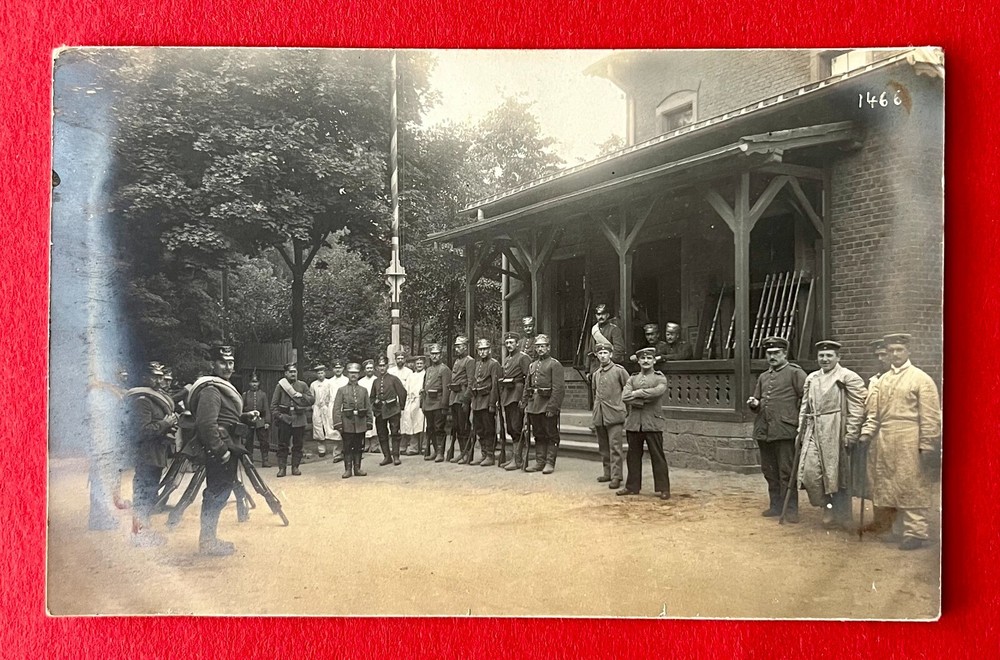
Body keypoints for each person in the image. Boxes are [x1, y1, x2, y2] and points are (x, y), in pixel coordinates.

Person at [859, 333, 942, 550]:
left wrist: (927, 443)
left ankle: (915, 532)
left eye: (899, 350)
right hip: (886, 437)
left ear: (908, 351)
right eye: (891, 351)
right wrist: (866, 433)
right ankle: (897, 529)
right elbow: (874, 414)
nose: (895, 354)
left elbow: (931, 415)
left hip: (910, 436)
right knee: (889, 482)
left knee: (911, 481)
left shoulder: (921, 379)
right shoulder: (882, 380)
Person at [184, 345, 258, 556]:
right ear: (212, 364)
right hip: (220, 449)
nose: (228, 367)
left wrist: (244, 417)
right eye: (223, 362)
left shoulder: (223, 388)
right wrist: (221, 450)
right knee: (216, 494)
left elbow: (226, 417)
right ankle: (207, 541)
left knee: (220, 492)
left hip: (228, 445)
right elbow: (206, 424)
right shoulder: (211, 390)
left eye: (231, 362)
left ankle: (209, 538)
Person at [796, 340, 867, 528]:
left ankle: (842, 514)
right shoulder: (812, 378)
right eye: (821, 355)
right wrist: (800, 431)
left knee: (837, 474)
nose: (825, 359)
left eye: (829, 355)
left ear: (838, 357)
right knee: (810, 473)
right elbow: (805, 406)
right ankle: (827, 506)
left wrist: (851, 432)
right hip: (814, 427)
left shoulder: (848, 377)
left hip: (836, 427)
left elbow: (857, 407)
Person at [747, 336, 807, 522]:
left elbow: (806, 399)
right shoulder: (764, 377)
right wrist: (754, 404)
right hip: (764, 431)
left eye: (776, 353)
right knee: (769, 471)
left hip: (785, 430)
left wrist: (796, 419)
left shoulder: (795, 373)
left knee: (786, 472)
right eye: (769, 353)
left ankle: (790, 509)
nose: (772, 357)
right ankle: (775, 506)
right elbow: (758, 400)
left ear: (784, 353)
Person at [125, 361, 180, 546]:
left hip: (156, 453)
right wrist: (166, 423)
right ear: (144, 377)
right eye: (154, 377)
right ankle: (139, 534)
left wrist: (170, 426)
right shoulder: (142, 401)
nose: (159, 380)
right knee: (143, 494)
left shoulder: (155, 397)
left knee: (149, 493)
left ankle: (143, 531)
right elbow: (143, 431)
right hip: (146, 455)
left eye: (160, 376)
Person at [617, 347, 671, 499]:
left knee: (657, 456)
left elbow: (657, 392)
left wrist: (637, 393)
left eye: (649, 358)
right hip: (634, 423)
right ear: (639, 361)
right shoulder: (632, 379)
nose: (646, 361)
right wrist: (642, 400)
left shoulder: (659, 377)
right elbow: (625, 397)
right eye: (643, 358)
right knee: (633, 456)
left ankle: (663, 488)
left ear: (654, 361)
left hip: (652, 422)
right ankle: (632, 486)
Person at [88, 365, 131, 531]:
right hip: (103, 442)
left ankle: (107, 512)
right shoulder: (101, 391)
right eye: (120, 374)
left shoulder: (113, 390)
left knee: (112, 477)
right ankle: (99, 520)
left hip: (112, 442)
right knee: (101, 480)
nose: (124, 377)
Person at [520, 334, 565, 474]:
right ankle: (540, 461)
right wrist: (524, 402)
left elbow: (558, 388)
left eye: (543, 346)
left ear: (548, 347)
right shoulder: (532, 365)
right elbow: (527, 385)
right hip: (534, 405)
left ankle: (550, 462)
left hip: (547, 404)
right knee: (538, 434)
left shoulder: (554, 364)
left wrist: (552, 407)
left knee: (551, 434)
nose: (540, 349)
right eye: (538, 346)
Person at [591, 343, 630, 489]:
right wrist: (595, 414)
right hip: (600, 415)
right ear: (597, 355)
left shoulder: (619, 371)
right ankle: (607, 472)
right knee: (603, 447)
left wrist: (625, 409)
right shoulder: (596, 374)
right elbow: (595, 395)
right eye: (600, 353)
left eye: (605, 353)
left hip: (615, 414)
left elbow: (628, 389)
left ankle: (616, 476)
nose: (603, 356)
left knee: (615, 447)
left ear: (611, 354)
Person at [270, 362, 315, 477]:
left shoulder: (302, 385)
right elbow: (274, 405)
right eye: (290, 372)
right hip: (285, 419)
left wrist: (302, 395)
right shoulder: (281, 386)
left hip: (299, 419)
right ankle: (282, 468)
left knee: (298, 445)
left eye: (294, 371)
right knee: (283, 445)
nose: (293, 374)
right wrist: (280, 416)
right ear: (286, 373)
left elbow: (312, 400)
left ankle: (295, 467)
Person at [333, 362, 374, 478]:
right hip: (347, 423)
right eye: (351, 373)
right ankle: (348, 470)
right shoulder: (342, 390)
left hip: (360, 423)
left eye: (355, 373)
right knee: (347, 447)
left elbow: (368, 407)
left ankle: (357, 468)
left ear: (359, 374)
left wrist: (369, 421)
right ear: (347, 374)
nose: (353, 375)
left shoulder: (363, 390)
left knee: (359, 447)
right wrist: (338, 423)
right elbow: (336, 408)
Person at [500, 332, 532, 471]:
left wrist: (525, 399)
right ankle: (515, 457)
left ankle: (518, 458)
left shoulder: (523, 358)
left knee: (517, 426)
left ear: (517, 343)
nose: (509, 345)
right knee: (511, 428)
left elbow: (528, 379)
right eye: (507, 343)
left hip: (517, 394)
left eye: (511, 342)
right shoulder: (507, 359)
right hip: (508, 395)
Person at [371, 355, 408, 466]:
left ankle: (396, 456)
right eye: (380, 366)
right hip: (380, 411)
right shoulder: (375, 381)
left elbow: (402, 393)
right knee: (382, 434)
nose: (382, 368)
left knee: (395, 433)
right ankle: (387, 457)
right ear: (377, 367)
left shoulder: (393, 379)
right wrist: (374, 405)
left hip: (393, 410)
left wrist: (400, 407)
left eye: (384, 365)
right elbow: (371, 397)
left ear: (387, 366)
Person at [469, 338, 501, 466]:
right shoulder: (477, 364)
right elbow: (474, 382)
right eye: (480, 350)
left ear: (489, 350)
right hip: (477, 401)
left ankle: (490, 455)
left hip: (487, 401)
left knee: (489, 429)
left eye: (485, 349)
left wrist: (492, 403)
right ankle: (483, 454)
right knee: (479, 429)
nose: (482, 352)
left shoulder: (494, 364)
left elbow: (495, 385)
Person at [421, 344, 452, 462]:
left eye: (437, 354)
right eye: (432, 354)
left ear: (441, 355)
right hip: (428, 403)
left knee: (439, 428)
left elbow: (446, 389)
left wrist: (444, 405)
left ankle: (440, 452)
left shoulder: (444, 369)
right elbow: (424, 386)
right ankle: (435, 451)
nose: (434, 356)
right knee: (430, 428)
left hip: (438, 403)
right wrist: (423, 403)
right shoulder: (428, 370)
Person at [449, 336, 475, 464]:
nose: (457, 349)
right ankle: (461, 452)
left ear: (465, 347)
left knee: (464, 426)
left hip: (462, 396)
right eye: (456, 346)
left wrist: (466, 399)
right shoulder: (457, 361)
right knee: (457, 426)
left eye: (459, 346)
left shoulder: (469, 361)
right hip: (454, 396)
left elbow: (471, 381)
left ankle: (467, 453)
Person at [586, 303, 626, 373]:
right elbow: (590, 351)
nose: (601, 316)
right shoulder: (594, 330)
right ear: (596, 316)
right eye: (598, 314)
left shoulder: (614, 329)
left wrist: (607, 363)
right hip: (595, 368)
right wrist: (587, 370)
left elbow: (619, 350)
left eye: (603, 314)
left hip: (610, 367)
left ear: (608, 315)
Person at [241, 374, 271, 467]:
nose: (254, 384)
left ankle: (265, 460)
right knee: (248, 441)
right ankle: (249, 460)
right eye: (252, 382)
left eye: (256, 382)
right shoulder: (245, 395)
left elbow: (266, 408)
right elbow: (242, 409)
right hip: (249, 420)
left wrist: (267, 421)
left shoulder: (262, 395)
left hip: (260, 420)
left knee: (264, 441)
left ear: (259, 383)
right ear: (249, 383)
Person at [402, 355, 427, 455]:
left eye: (421, 363)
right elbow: (406, 389)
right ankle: (414, 447)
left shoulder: (426, 374)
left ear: (424, 365)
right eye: (417, 364)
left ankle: (424, 446)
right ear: (415, 365)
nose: (419, 365)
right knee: (412, 424)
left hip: (421, 401)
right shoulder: (411, 376)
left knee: (422, 424)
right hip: (411, 401)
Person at [310, 364, 336, 458]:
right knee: (318, 427)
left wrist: (329, 405)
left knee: (330, 425)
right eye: (318, 373)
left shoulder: (329, 383)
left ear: (325, 373)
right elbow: (311, 397)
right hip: (317, 407)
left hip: (327, 406)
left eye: (322, 373)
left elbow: (332, 395)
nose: (320, 375)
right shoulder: (313, 384)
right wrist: (313, 406)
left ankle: (335, 449)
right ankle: (321, 449)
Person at [327, 361, 349, 463]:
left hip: (345, 406)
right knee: (336, 429)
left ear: (343, 368)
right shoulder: (329, 382)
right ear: (333, 369)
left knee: (347, 428)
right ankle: (337, 453)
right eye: (336, 368)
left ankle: (348, 451)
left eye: (340, 367)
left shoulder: (346, 380)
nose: (338, 370)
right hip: (334, 406)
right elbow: (327, 397)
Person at [358, 360, 378, 453]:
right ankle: (366, 444)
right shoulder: (361, 381)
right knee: (364, 423)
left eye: (371, 368)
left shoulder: (377, 380)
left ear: (373, 369)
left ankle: (375, 445)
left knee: (374, 424)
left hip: (374, 404)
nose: (369, 370)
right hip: (364, 405)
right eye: (367, 368)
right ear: (364, 370)